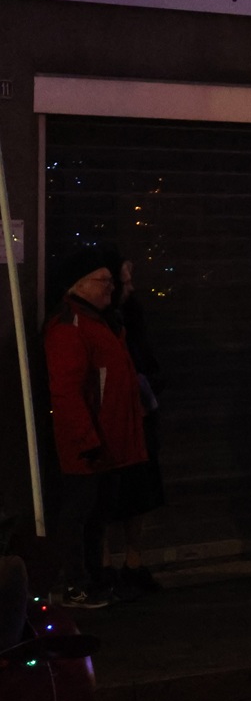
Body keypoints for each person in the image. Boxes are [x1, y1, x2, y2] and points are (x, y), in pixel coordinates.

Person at [43, 246, 147, 608]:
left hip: (107, 442)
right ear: (80, 284)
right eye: (103, 280)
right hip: (88, 446)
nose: (111, 287)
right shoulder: (70, 325)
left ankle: (94, 576)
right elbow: (67, 391)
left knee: (97, 515)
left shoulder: (99, 321)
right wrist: (87, 440)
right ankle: (76, 584)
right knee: (78, 515)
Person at [101, 255, 166, 597]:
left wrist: (149, 386)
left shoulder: (132, 314)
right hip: (113, 419)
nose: (130, 287)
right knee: (109, 492)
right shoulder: (96, 320)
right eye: (124, 281)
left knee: (139, 489)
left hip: (139, 414)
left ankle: (133, 561)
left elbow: (147, 358)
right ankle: (105, 564)